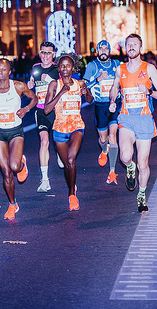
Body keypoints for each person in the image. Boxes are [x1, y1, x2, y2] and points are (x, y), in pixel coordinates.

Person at [109, 34, 157, 213]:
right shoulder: (120, 69)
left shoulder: (149, 69)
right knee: (125, 157)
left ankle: (141, 194)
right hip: (126, 119)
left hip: (144, 120)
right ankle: (130, 168)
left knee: (144, 163)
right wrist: (112, 101)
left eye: (135, 44)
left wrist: (149, 91)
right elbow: (114, 88)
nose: (131, 47)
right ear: (125, 48)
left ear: (140, 48)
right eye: (129, 44)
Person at [0, 59, 37, 219]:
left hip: (15, 132)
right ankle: (13, 204)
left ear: (9, 71)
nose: (0, 73)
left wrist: (25, 109)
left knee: (14, 165)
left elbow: (34, 99)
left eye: (3, 69)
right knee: (6, 172)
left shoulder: (18, 86)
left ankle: (22, 165)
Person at [44, 53, 93, 211]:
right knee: (67, 165)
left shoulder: (79, 83)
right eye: (62, 65)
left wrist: (86, 92)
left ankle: (72, 194)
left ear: (73, 68)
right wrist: (61, 93)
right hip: (59, 127)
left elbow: (90, 100)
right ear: (58, 68)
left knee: (71, 160)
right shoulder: (54, 85)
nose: (65, 68)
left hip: (76, 125)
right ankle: (72, 185)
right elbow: (46, 110)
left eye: (68, 66)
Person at [83, 40, 122, 185]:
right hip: (100, 106)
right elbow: (84, 87)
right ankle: (104, 149)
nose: (104, 50)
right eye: (101, 48)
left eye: (106, 48)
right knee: (104, 139)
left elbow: (123, 82)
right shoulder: (92, 66)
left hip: (114, 105)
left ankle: (112, 172)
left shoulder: (117, 64)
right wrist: (98, 79)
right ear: (98, 51)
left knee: (113, 136)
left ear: (109, 50)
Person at [27, 41, 60, 192]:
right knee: (44, 141)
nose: (46, 56)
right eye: (43, 52)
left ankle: (60, 154)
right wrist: (29, 87)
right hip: (40, 111)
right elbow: (32, 87)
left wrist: (51, 81)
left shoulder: (57, 68)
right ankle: (45, 180)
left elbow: (63, 86)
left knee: (58, 142)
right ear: (40, 53)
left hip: (57, 110)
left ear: (53, 55)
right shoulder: (35, 68)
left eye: (49, 53)